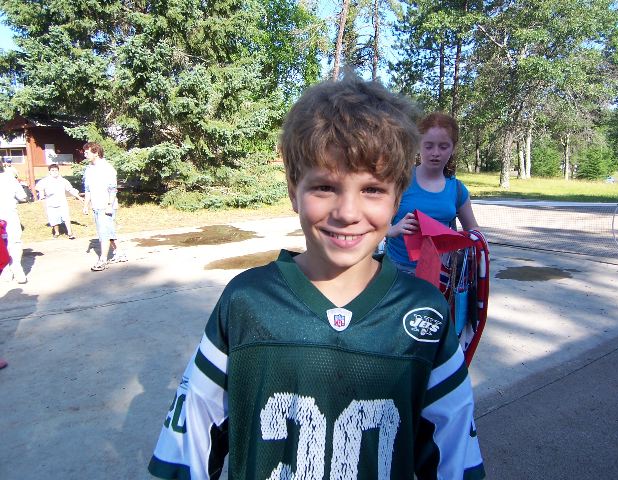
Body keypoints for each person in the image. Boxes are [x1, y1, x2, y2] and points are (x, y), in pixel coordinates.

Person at [148, 78, 485, 480]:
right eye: (325, 187)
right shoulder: (246, 302)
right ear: (294, 190)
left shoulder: (425, 314)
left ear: (397, 197)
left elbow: (454, 459)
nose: (347, 212)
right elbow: (185, 454)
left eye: (372, 189)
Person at [386, 112, 480, 274]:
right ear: (418, 145)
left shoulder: (457, 189)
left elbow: (473, 230)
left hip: (439, 273)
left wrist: (474, 246)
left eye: (443, 147)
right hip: (397, 271)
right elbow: (374, 225)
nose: (435, 153)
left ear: (453, 148)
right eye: (428, 146)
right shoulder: (400, 182)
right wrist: (393, 230)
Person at [82, 142, 127, 271]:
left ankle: (102, 260)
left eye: (87, 152)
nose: (85, 154)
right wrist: (86, 205)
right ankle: (120, 254)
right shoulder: (89, 169)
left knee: (104, 233)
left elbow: (113, 189)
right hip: (96, 205)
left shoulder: (107, 168)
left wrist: (109, 205)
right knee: (108, 230)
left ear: (96, 153)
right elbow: (88, 189)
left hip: (106, 205)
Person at [35, 164, 82, 239]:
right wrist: (41, 196)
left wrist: (79, 197)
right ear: (49, 171)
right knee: (53, 218)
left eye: (56, 170)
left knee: (66, 217)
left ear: (58, 171)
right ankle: (56, 232)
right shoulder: (45, 181)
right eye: (52, 170)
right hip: (51, 202)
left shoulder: (63, 180)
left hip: (62, 201)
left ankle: (70, 233)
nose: (54, 172)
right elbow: (40, 188)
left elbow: (70, 189)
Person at [0, 161, 28, 284]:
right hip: (9, 214)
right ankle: (14, 269)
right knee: (14, 242)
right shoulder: (10, 178)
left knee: (7, 243)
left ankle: (8, 270)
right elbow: (22, 196)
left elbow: (22, 196)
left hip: (8, 214)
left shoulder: (9, 178)